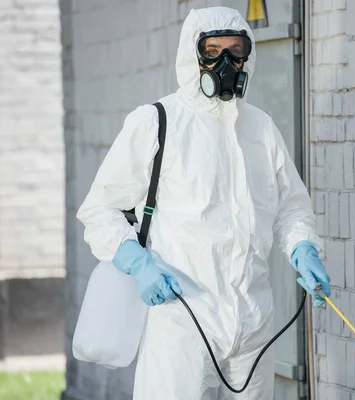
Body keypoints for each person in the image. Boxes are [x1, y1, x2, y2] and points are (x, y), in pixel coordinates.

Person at [76, 6, 331, 400]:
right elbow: (100, 210)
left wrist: (304, 248)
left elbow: (290, 207)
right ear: (192, 56)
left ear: (248, 57)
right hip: (182, 322)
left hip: (253, 327)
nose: (225, 63)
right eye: (213, 51)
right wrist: (138, 264)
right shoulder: (157, 122)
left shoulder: (261, 129)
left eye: (235, 51)